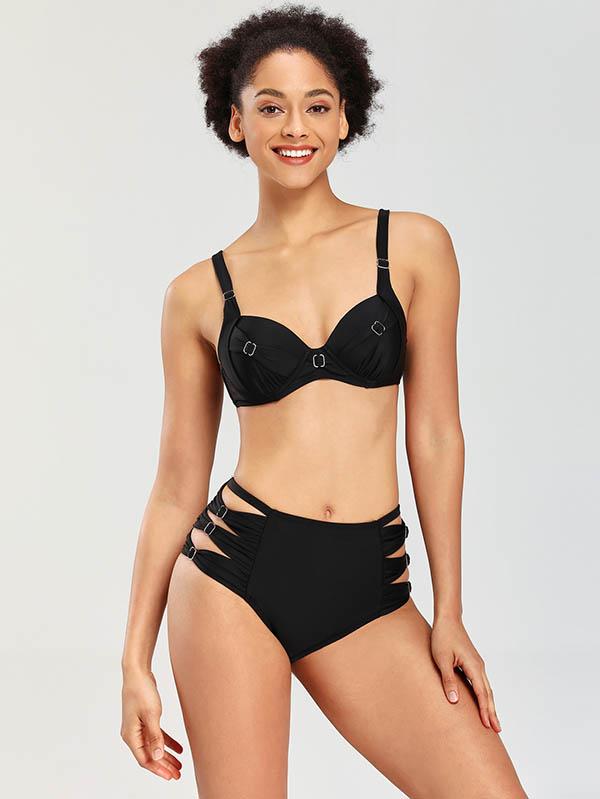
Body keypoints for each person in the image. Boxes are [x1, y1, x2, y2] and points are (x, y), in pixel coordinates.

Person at [120, 5, 528, 797]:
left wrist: (449, 609)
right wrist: (135, 659)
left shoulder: (413, 246)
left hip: (368, 585)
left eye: (316, 104)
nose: (294, 127)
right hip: (233, 577)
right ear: (235, 122)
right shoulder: (197, 293)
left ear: (345, 117)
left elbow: (436, 434)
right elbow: (175, 485)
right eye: (269, 106)